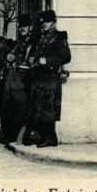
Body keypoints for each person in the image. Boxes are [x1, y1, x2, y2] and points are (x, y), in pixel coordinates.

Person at [27, 9, 71, 148]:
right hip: (40, 77)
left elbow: (66, 57)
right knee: (40, 107)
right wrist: (32, 59)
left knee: (49, 108)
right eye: (42, 22)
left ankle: (50, 138)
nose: (43, 25)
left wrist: (47, 60)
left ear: (54, 22)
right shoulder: (42, 37)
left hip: (51, 77)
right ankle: (46, 137)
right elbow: (36, 54)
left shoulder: (59, 37)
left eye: (46, 22)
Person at [1, 14, 35, 145]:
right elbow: (10, 59)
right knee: (11, 108)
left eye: (25, 26)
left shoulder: (34, 43)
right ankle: (10, 135)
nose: (22, 29)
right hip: (14, 79)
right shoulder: (17, 43)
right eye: (20, 26)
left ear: (30, 27)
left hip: (25, 79)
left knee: (22, 108)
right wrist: (9, 58)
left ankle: (21, 135)